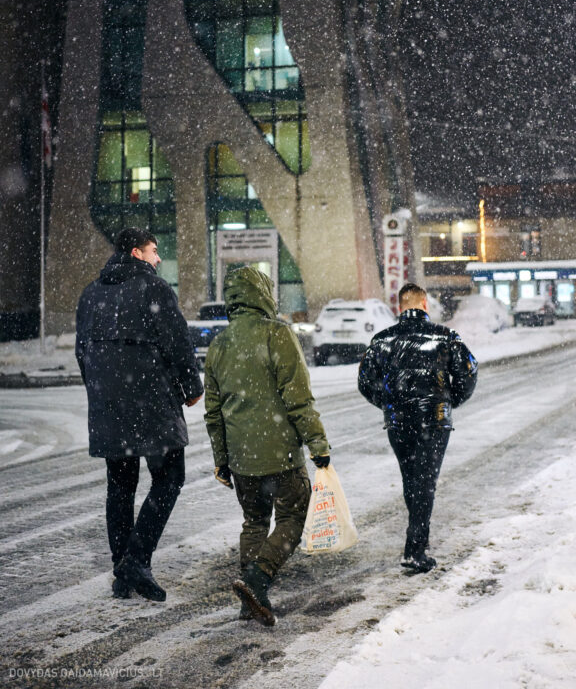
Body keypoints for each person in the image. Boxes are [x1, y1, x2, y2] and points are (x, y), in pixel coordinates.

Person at [76, 227, 203, 601]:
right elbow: (177, 342)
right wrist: (192, 388)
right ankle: (136, 559)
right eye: (153, 251)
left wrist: (100, 390)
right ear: (136, 253)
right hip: (151, 402)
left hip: (109, 405)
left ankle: (122, 572)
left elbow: (82, 351)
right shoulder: (154, 289)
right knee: (170, 477)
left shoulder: (91, 293)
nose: (158, 258)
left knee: (120, 486)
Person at [203, 266, 330, 626]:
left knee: (254, 521)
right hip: (281, 455)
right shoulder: (277, 334)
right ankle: (258, 580)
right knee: (293, 516)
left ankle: (250, 602)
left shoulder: (219, 344)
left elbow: (214, 412)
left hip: (242, 459)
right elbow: (299, 399)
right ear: (262, 295)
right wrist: (318, 444)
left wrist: (221, 459)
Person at [358, 282, 477, 573]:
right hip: (433, 420)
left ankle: (417, 540)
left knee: (411, 478)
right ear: (424, 304)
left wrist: (388, 403)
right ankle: (415, 549)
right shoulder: (445, 336)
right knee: (425, 480)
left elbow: (365, 381)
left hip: (398, 422)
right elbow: (468, 371)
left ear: (400, 306)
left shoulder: (382, 340)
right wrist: (450, 400)